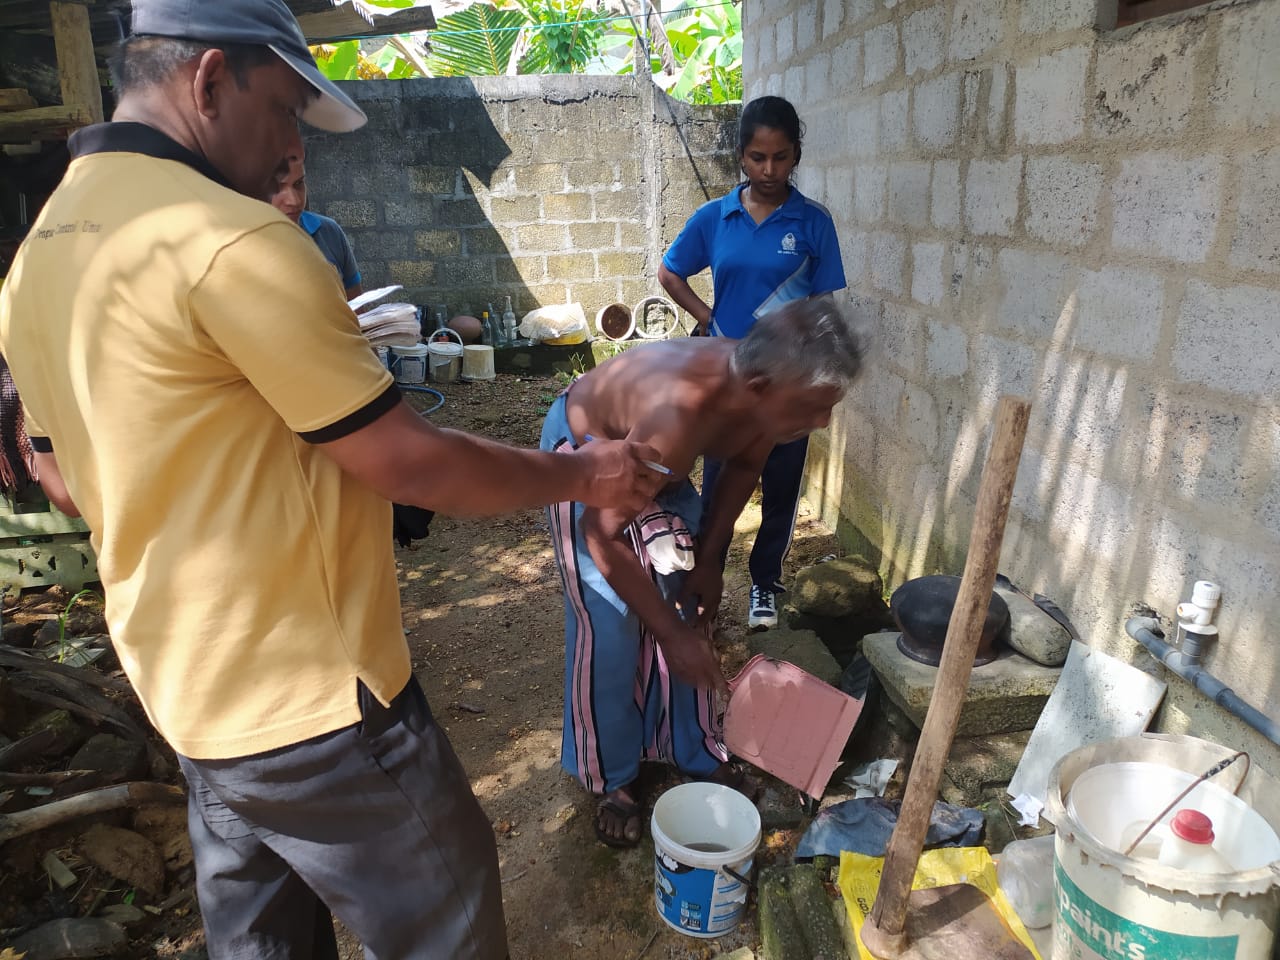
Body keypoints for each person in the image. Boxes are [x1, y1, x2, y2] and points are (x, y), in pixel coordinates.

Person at [0, 2, 666, 957]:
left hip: (185, 688)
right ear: (210, 80)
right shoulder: (234, 244)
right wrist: (583, 473)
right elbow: (412, 462)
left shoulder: (41, 254)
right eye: (282, 112)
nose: (287, 153)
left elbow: (62, 479)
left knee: (265, 934)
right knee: (450, 913)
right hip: (312, 699)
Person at [542, 298, 864, 847]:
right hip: (593, 456)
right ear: (761, 387)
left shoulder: (762, 400)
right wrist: (668, 636)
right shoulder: (681, 412)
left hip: (657, 465)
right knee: (612, 627)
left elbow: (743, 464)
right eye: (815, 406)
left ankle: (690, 748)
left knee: (692, 610)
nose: (824, 422)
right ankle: (615, 778)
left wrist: (711, 562)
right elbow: (602, 535)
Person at [658, 96, 848, 632]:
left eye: (781, 158)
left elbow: (824, 305)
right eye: (758, 158)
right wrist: (706, 315)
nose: (769, 170)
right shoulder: (716, 218)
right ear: (741, 155)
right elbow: (670, 271)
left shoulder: (813, 224)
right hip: (729, 379)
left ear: (796, 156)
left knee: (781, 486)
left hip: (787, 382)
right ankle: (706, 579)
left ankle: (764, 583)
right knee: (720, 483)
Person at [270, 144, 364, 300]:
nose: (294, 200)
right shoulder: (241, 246)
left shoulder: (329, 232)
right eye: (279, 188)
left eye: (298, 184)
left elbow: (358, 310)